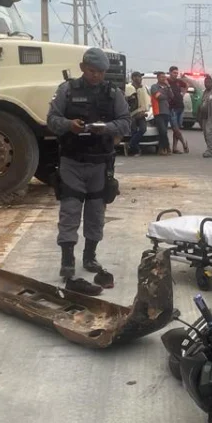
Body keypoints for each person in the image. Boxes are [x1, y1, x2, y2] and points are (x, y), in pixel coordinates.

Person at [46, 47, 130, 280]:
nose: (97, 76)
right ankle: (67, 260)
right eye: (93, 71)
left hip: (100, 163)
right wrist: (68, 125)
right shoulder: (67, 90)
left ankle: (90, 256)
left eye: (101, 72)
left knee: (96, 214)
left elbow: (125, 122)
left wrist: (105, 128)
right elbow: (51, 120)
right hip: (72, 161)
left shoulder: (113, 94)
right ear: (83, 68)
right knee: (69, 212)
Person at [124, 71, 149, 156]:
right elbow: (128, 103)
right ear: (133, 78)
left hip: (141, 113)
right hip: (132, 114)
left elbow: (145, 101)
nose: (140, 78)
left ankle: (130, 145)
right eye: (138, 77)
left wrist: (144, 112)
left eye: (140, 77)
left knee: (143, 129)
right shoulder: (129, 88)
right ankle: (135, 150)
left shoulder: (143, 88)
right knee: (133, 131)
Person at [167, 66, 190, 153]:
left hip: (181, 107)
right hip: (172, 108)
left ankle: (175, 148)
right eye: (174, 73)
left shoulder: (178, 81)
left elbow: (187, 85)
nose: (175, 74)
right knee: (175, 128)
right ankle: (184, 144)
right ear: (170, 72)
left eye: (177, 73)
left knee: (177, 129)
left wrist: (183, 93)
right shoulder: (167, 81)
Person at [150, 72, 171, 155]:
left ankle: (161, 149)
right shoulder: (154, 87)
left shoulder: (166, 87)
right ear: (158, 78)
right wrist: (166, 96)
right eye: (162, 77)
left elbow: (172, 96)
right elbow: (158, 97)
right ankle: (167, 147)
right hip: (158, 112)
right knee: (162, 131)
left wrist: (168, 86)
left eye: (164, 77)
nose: (163, 79)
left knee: (164, 131)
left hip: (166, 111)